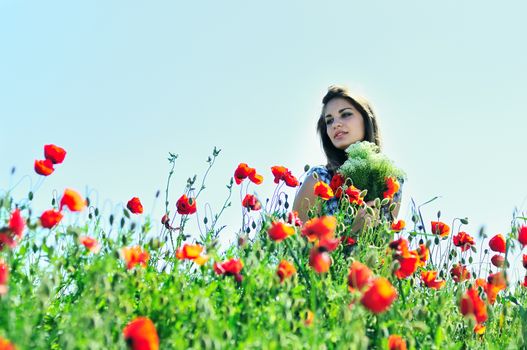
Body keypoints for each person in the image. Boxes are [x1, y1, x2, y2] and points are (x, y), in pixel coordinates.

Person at [292, 85, 403, 232]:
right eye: (329, 120)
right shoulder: (318, 180)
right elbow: (296, 248)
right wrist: (352, 232)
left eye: (345, 114)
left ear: (366, 118)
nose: (336, 124)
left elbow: (387, 245)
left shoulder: (390, 181)